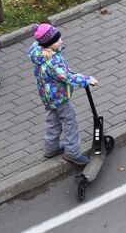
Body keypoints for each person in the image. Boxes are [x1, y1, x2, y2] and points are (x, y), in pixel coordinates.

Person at [27, 24, 97, 165]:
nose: (61, 41)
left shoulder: (38, 51)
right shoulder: (51, 62)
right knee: (70, 123)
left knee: (53, 122)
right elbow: (66, 77)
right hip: (59, 98)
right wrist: (87, 80)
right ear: (48, 44)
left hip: (48, 97)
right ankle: (72, 153)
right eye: (57, 40)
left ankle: (51, 148)